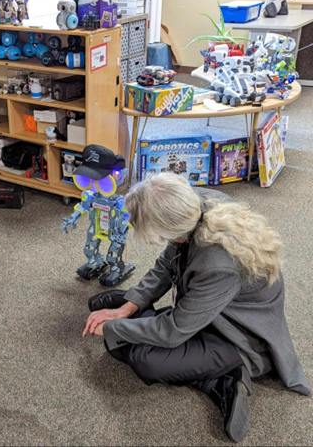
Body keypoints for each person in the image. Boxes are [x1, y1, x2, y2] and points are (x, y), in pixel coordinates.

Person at [82, 172, 310, 442]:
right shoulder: (196, 204)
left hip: (238, 335)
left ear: (169, 230)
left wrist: (113, 327)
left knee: (145, 361)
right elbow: (169, 261)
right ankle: (136, 305)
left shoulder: (217, 264)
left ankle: (224, 378)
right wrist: (129, 307)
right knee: (130, 333)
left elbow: (173, 331)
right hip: (209, 307)